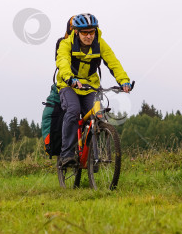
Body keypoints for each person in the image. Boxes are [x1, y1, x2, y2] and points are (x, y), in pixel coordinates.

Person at [55, 13, 131, 167]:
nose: (89, 36)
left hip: (90, 86)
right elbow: (62, 61)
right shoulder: (66, 44)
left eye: (92, 32)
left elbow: (113, 61)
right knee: (74, 110)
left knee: (97, 115)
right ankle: (67, 154)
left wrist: (123, 80)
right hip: (69, 85)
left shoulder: (100, 43)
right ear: (76, 32)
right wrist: (70, 78)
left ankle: (91, 153)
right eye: (84, 32)